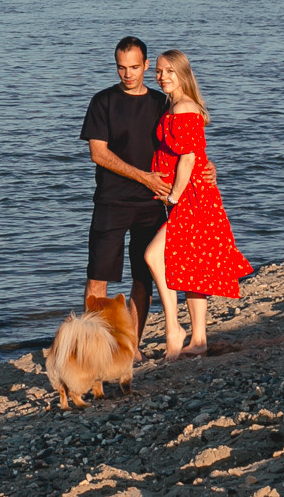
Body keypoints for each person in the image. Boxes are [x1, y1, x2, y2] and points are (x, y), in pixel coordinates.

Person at [79, 36, 216, 352]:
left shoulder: (162, 102)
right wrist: (145, 177)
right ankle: (93, 348)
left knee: (143, 280)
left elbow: (188, 145)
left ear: (145, 65)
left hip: (154, 204)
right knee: (98, 280)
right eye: (121, 67)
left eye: (135, 67)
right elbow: (98, 154)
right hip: (111, 202)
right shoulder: (103, 102)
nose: (128, 74)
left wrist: (210, 168)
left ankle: (131, 348)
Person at [144, 49, 253, 358]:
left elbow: (190, 156)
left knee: (154, 255)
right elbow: (195, 152)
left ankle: (173, 326)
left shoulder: (184, 108)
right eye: (160, 72)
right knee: (194, 264)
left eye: (169, 72)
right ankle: (200, 340)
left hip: (193, 196)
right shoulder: (176, 105)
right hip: (195, 193)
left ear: (183, 74)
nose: (163, 77)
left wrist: (175, 195)